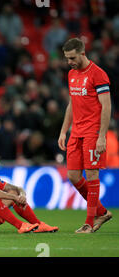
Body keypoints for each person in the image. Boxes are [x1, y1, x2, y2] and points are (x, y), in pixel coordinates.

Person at [58, 38, 113, 233]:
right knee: (73, 176)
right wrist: (64, 130)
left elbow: (106, 106)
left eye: (72, 58)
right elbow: (72, 104)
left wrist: (102, 136)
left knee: (91, 175)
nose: (69, 62)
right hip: (76, 132)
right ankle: (102, 212)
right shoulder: (72, 74)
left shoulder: (98, 74)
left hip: (93, 132)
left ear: (82, 53)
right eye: (66, 58)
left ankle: (89, 223)